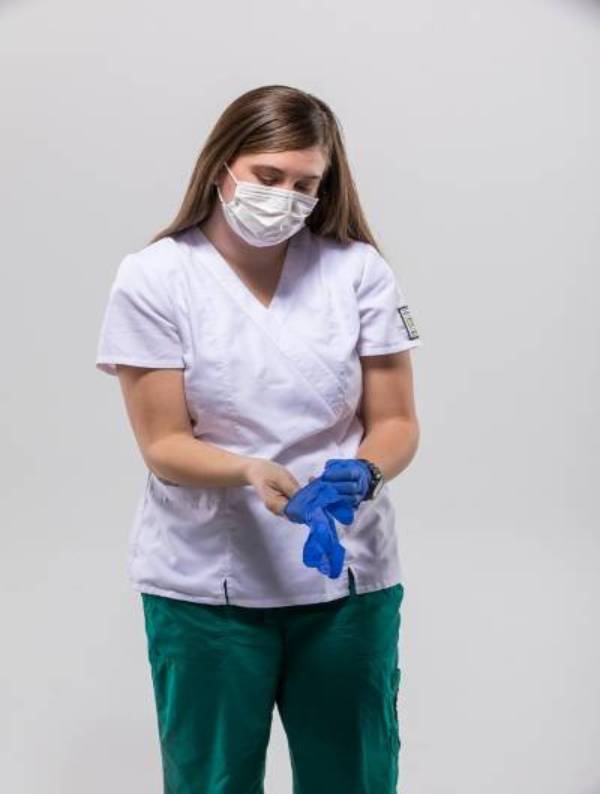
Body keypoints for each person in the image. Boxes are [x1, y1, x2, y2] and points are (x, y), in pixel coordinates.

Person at [95, 84, 423, 793]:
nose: (286, 197)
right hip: (206, 586)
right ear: (222, 168)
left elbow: (396, 422)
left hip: (347, 582)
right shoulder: (155, 278)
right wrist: (250, 470)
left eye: (306, 184)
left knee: (355, 776)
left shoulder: (358, 270)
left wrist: (361, 474)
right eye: (268, 176)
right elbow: (163, 444)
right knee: (211, 780)